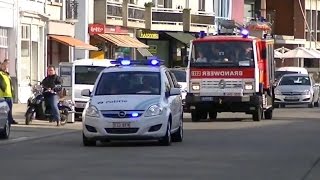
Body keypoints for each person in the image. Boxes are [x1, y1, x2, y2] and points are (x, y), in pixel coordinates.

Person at [0, 59, 18, 125]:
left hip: (9, 94)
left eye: (6, 66)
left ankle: (10, 120)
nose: (5, 67)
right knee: (4, 110)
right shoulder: (0, 74)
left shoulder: (7, 74)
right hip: (2, 95)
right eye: (4, 65)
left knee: (9, 109)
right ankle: (6, 121)